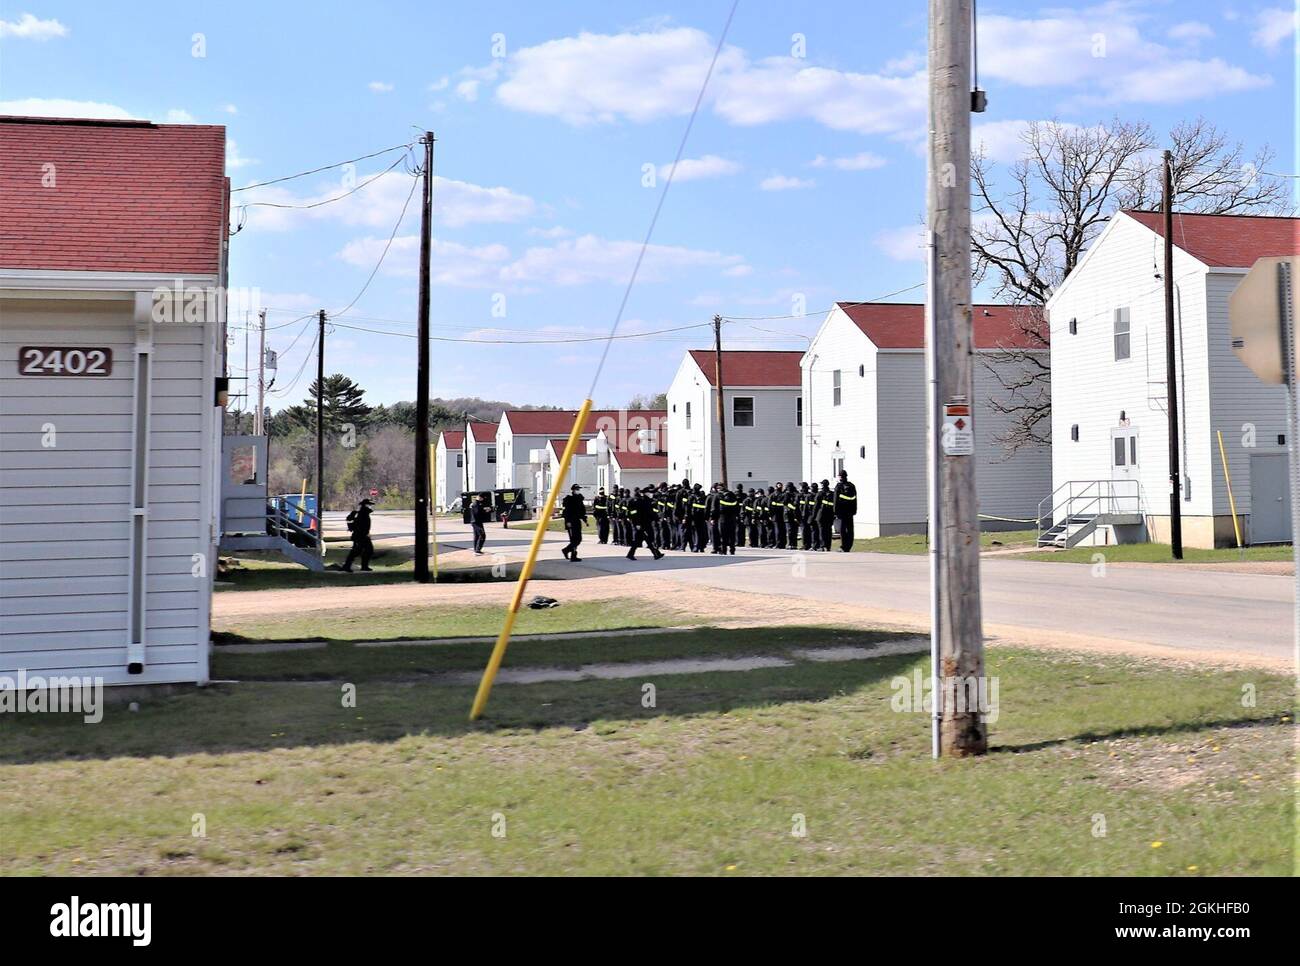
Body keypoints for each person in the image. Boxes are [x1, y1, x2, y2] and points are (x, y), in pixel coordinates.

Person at [626, 487, 665, 561]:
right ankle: (656, 554)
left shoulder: (647, 500)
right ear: (646, 493)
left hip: (647, 523)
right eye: (649, 492)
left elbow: (651, 513)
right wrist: (637, 523)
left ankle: (631, 554)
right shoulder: (641, 501)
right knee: (648, 539)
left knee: (642, 539)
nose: (651, 494)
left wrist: (657, 518)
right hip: (642, 524)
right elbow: (638, 514)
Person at [341, 497, 374, 571]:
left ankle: (363, 566)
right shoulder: (363, 513)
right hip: (360, 536)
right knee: (359, 551)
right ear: (365, 505)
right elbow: (360, 525)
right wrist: (363, 534)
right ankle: (347, 566)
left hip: (362, 535)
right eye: (369, 505)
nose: (370, 506)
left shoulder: (363, 513)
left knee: (364, 550)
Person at [560, 484, 588, 561]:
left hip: (577, 521)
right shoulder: (569, 499)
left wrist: (585, 520)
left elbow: (582, 511)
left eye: (578, 489)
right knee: (573, 540)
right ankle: (573, 555)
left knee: (578, 539)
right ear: (573, 490)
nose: (578, 490)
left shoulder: (579, 499)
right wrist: (568, 521)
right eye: (576, 489)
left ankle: (566, 550)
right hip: (571, 522)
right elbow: (566, 512)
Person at [833, 469, 858, 552]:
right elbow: (855, 499)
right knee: (850, 529)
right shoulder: (852, 486)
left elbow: (836, 500)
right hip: (850, 511)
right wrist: (854, 510)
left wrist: (835, 511)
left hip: (842, 511)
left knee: (842, 529)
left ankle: (843, 546)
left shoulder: (839, 486)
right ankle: (849, 546)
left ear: (840, 477)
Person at [717, 484, 742, 554]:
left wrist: (712, 517)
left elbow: (715, 508)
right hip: (732, 518)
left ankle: (723, 550)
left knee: (723, 535)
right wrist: (737, 515)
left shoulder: (719, 496)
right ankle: (732, 549)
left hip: (722, 518)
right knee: (732, 535)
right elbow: (737, 507)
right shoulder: (733, 496)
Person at [816, 479, 835, 551]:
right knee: (828, 531)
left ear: (822, 485)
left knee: (822, 531)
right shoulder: (832, 494)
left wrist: (813, 516)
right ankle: (828, 546)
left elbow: (816, 506)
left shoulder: (820, 493)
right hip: (830, 514)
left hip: (821, 514)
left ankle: (822, 546)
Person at [689, 483, 709, 552]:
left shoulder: (692, 497)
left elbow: (688, 508)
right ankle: (701, 546)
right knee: (701, 532)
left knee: (696, 532)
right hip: (702, 516)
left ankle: (696, 546)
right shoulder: (703, 496)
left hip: (695, 517)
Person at [770, 482, 788, 551]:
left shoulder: (783, 494)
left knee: (781, 530)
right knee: (778, 530)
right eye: (779, 485)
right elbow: (770, 505)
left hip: (781, 515)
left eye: (781, 485)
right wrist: (771, 515)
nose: (780, 487)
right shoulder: (773, 495)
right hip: (776, 515)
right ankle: (779, 544)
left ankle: (782, 544)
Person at [784, 482, 801, 550]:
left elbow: (785, 503)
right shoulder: (796, 493)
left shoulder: (787, 494)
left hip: (788, 514)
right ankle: (794, 544)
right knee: (794, 530)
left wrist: (792, 507)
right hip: (796, 514)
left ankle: (791, 544)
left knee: (790, 530)